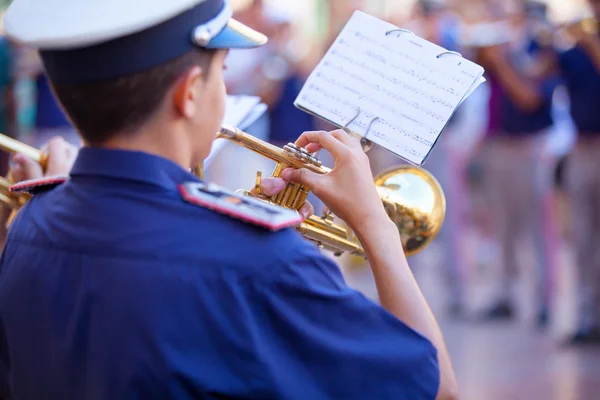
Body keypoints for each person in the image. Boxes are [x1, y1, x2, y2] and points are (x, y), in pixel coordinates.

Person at [0, 0, 459, 399]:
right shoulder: (259, 262)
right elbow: (435, 387)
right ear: (189, 94)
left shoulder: (25, 225)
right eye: (222, 72)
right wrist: (376, 225)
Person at [475, 0, 560, 329]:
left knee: (537, 228)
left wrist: (503, 62)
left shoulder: (546, 51)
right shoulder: (501, 50)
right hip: (499, 146)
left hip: (529, 148)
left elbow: (529, 97)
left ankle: (543, 301)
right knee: (503, 226)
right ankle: (504, 295)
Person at [554, 0, 600, 345]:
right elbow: (538, 77)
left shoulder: (589, 43)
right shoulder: (575, 47)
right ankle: (587, 318)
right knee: (581, 240)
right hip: (581, 147)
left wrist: (590, 44)